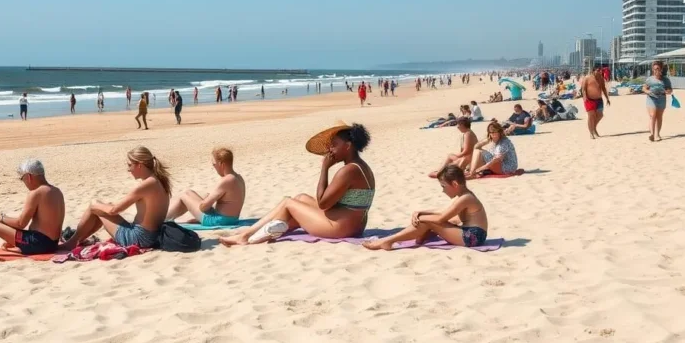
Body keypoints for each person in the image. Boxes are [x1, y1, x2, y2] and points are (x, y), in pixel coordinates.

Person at [220, 123, 375, 246]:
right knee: (300, 198)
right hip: (353, 224)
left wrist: (324, 168)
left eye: (334, 144)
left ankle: (246, 236)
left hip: (341, 228)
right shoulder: (360, 165)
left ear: (348, 146)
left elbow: (323, 204)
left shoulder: (348, 170)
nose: (330, 150)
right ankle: (267, 229)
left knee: (288, 203)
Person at [61, 146, 171, 250]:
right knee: (102, 208)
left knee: (94, 205)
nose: (129, 169)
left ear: (139, 165)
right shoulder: (159, 180)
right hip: (152, 236)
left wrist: (95, 205)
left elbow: (114, 211)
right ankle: (77, 240)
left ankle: (71, 243)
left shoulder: (146, 185)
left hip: (139, 239)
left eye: (129, 165)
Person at [363, 164, 487, 250]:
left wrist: (422, 218)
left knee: (428, 222)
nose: (443, 191)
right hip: (471, 235)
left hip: (472, 238)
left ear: (454, 184)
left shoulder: (465, 198)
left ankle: (388, 241)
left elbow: (440, 219)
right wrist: (420, 212)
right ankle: (411, 238)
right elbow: (444, 212)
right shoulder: (464, 196)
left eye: (444, 186)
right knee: (427, 223)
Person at [166, 147, 246, 227]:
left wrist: (199, 205)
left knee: (184, 195)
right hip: (232, 219)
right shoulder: (238, 178)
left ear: (221, 164)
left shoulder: (227, 180)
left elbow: (204, 207)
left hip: (219, 221)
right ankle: (168, 218)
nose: (214, 167)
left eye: (214, 164)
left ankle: (163, 219)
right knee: (189, 193)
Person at [645, 60, 673, 142]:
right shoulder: (649, 79)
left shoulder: (666, 80)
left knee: (659, 117)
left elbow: (670, 89)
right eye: (654, 69)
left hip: (661, 98)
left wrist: (668, 91)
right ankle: (652, 134)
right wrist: (648, 91)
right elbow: (644, 88)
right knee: (652, 115)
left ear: (661, 69)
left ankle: (657, 134)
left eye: (657, 69)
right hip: (651, 98)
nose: (655, 71)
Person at [579, 65, 611, 139]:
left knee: (600, 115)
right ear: (593, 71)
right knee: (591, 116)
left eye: (600, 70)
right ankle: (591, 133)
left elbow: (603, 88)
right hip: (589, 100)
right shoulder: (587, 78)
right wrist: (585, 98)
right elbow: (583, 89)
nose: (599, 71)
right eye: (597, 70)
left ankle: (594, 128)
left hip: (599, 99)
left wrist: (607, 98)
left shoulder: (601, 78)